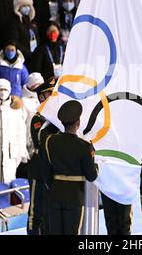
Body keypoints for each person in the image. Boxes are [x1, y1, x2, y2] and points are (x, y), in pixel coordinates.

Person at [40, 100, 99, 235]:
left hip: (55, 192)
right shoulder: (84, 146)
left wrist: (53, 185)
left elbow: (45, 171)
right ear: (78, 124)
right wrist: (95, 164)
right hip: (74, 195)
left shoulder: (50, 141)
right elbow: (92, 175)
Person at [26, 77, 58, 235]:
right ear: (42, 97)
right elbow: (40, 139)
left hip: (55, 166)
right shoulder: (39, 118)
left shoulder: (59, 116)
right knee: (35, 210)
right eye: (50, 94)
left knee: (51, 211)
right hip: (39, 166)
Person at [9, 0, 39, 71]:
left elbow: (37, 37)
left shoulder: (32, 22)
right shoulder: (14, 22)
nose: (27, 8)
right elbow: (14, 41)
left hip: (35, 57)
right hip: (23, 59)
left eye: (28, 5)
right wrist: (28, 53)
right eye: (24, 6)